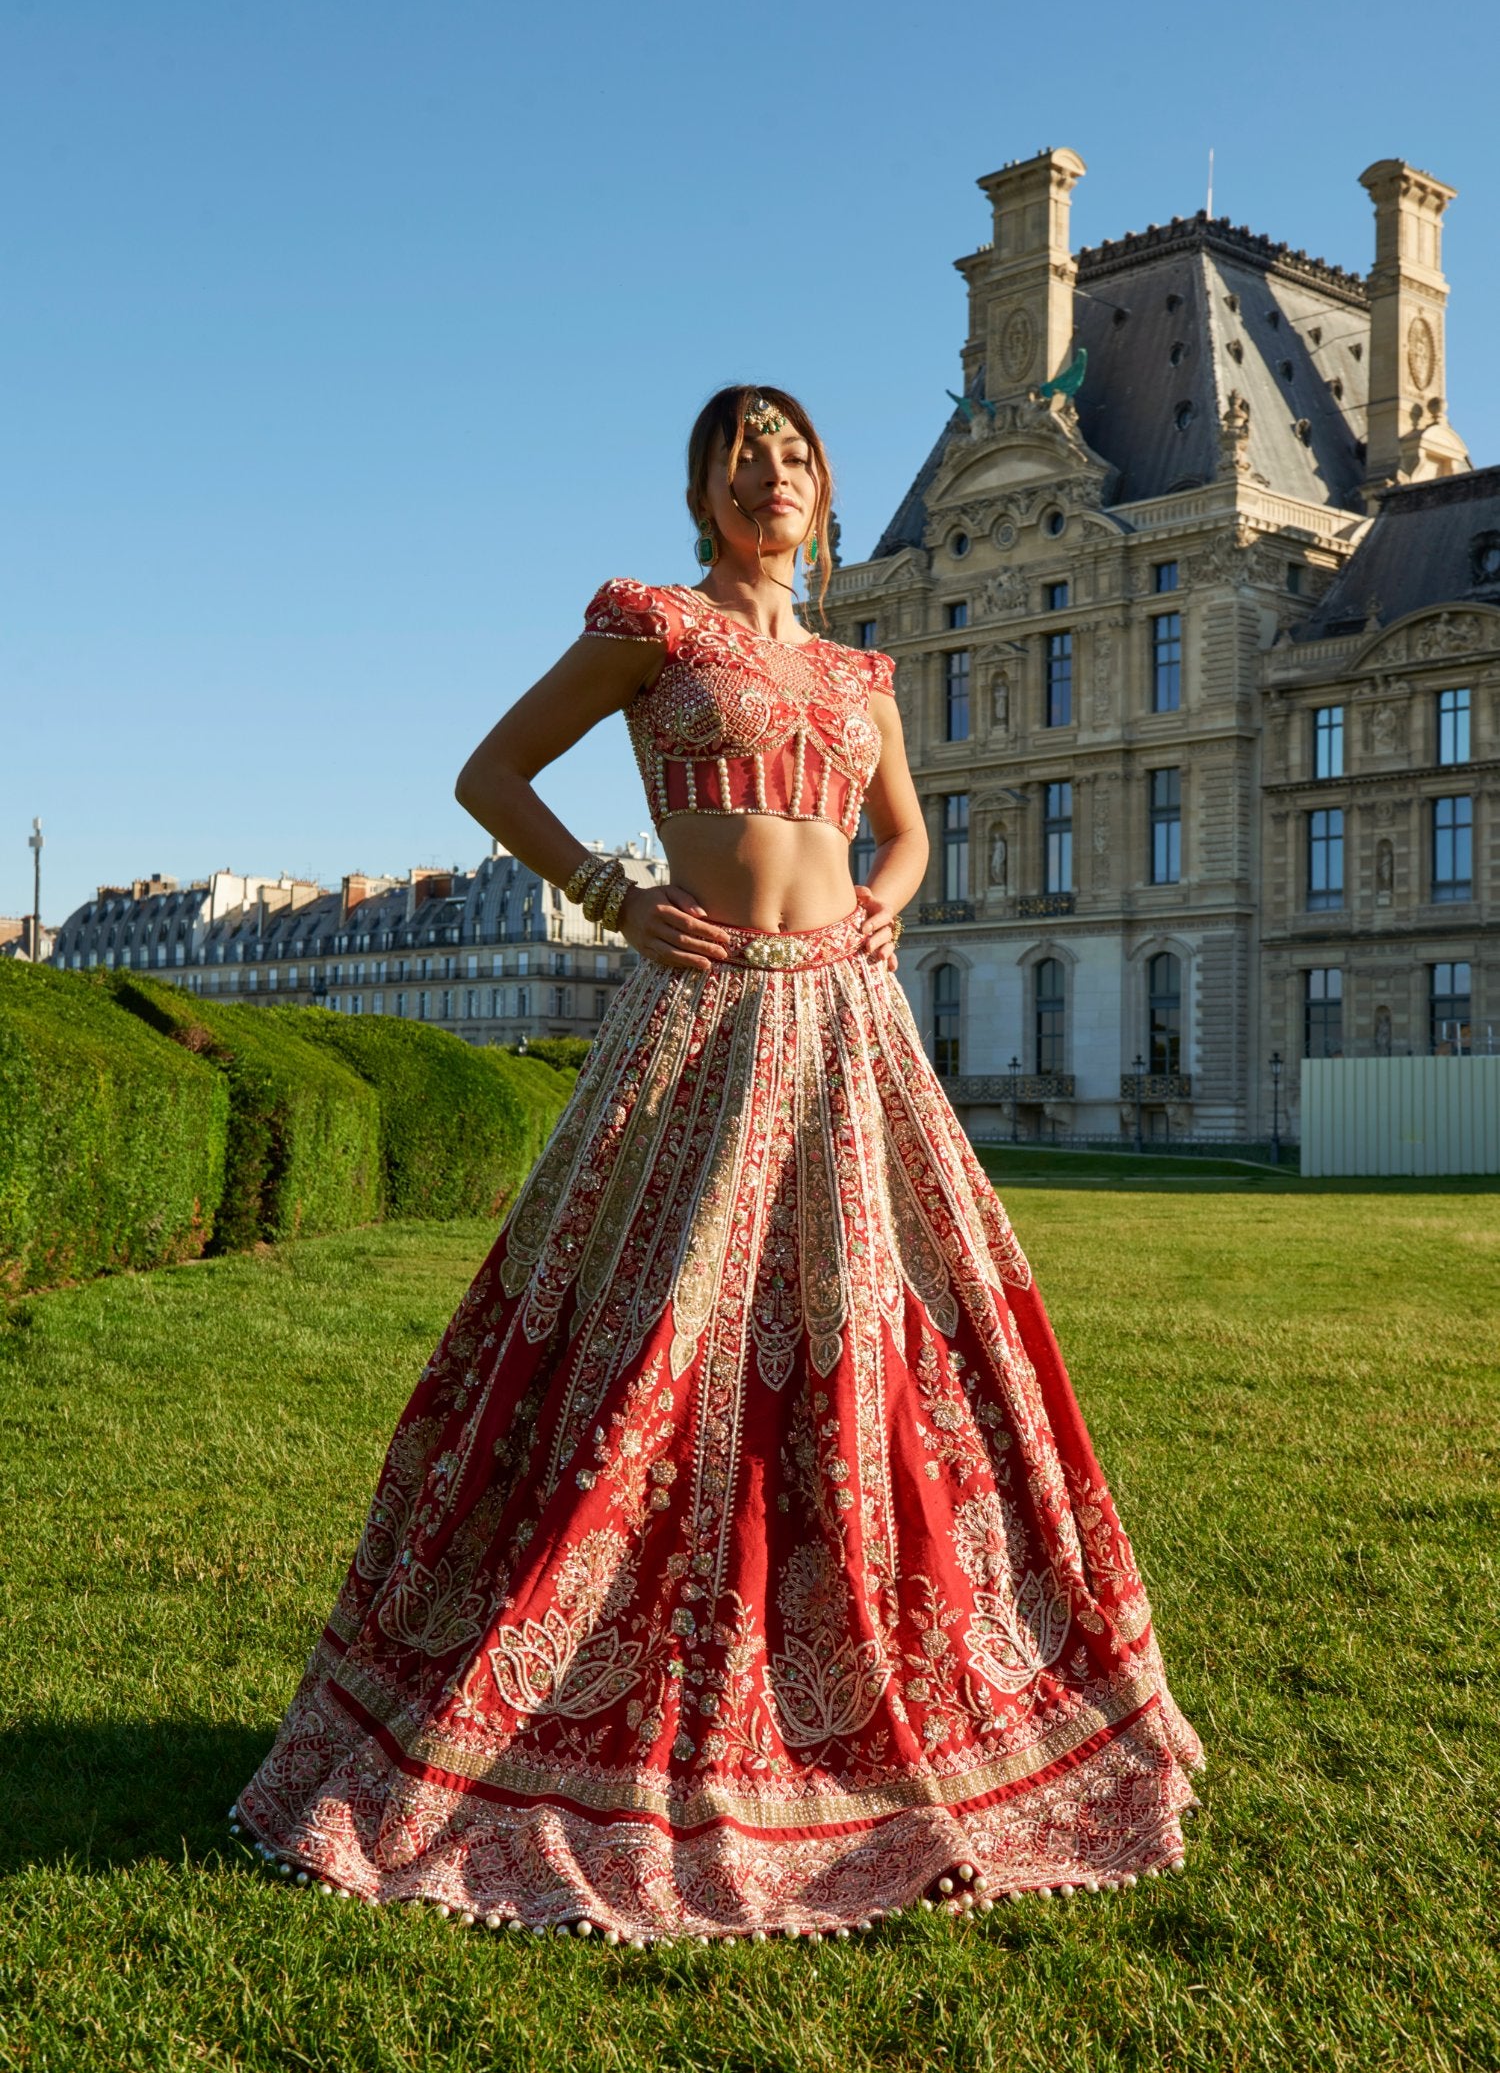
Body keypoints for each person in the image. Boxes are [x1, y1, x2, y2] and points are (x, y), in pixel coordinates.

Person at [232, 384, 1202, 1944]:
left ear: (826, 488)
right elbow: (493, 775)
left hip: (848, 1029)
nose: (774, 472)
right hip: (699, 1014)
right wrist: (616, 901)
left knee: (877, 1357)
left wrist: (887, 903)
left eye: (797, 451)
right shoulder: (656, 628)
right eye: (744, 453)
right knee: (642, 1347)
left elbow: (908, 831)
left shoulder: (856, 667)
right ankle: (551, 1691)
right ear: (702, 486)